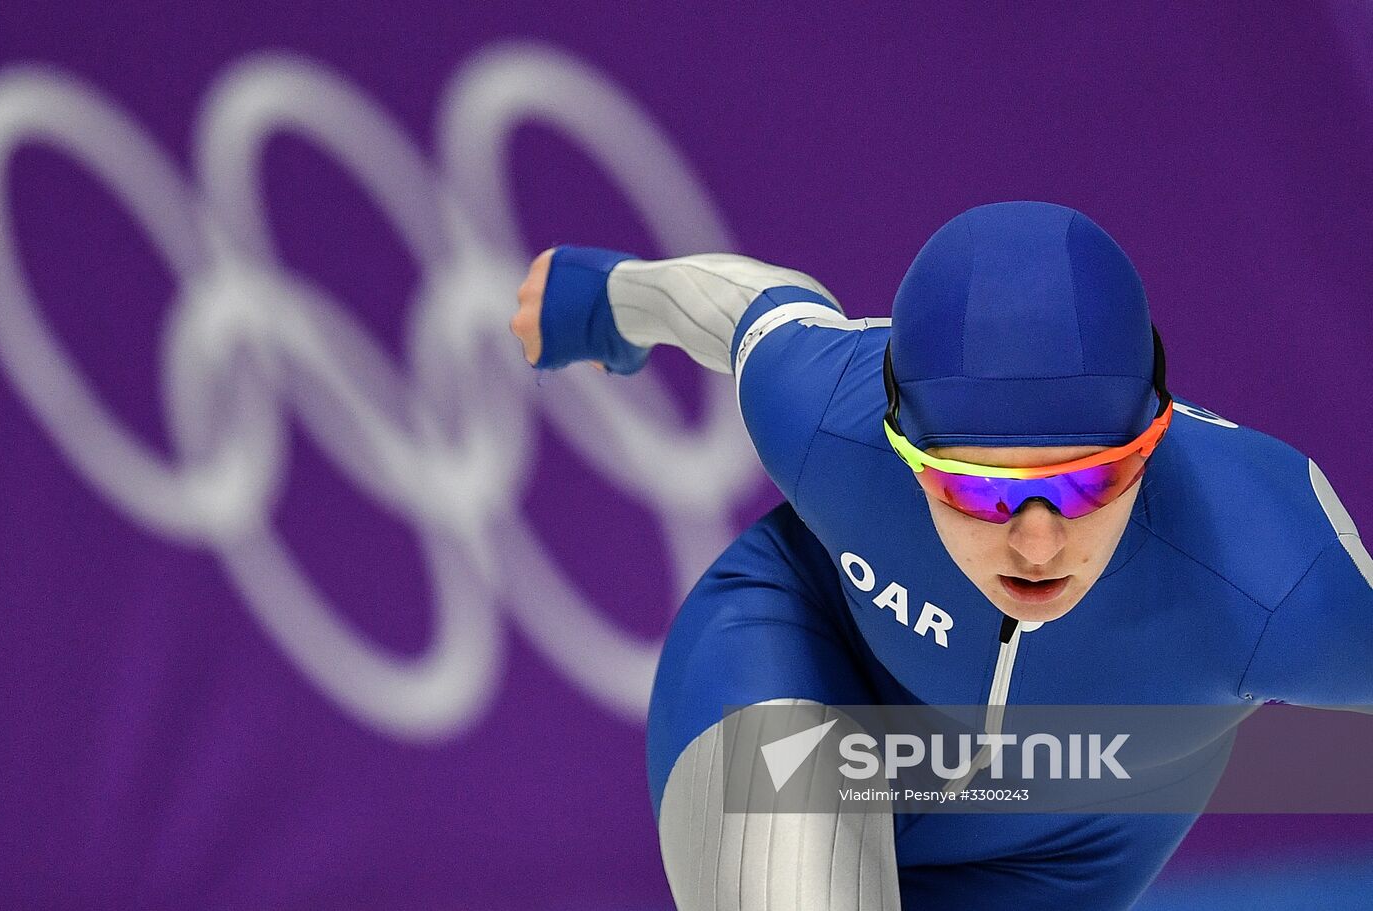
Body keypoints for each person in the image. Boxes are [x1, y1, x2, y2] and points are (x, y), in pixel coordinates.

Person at [510, 202, 1373, 909]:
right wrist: (602, 300)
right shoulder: (823, 417)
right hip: (795, 666)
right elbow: (751, 312)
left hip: (1057, 855)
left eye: (1086, 484)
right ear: (901, 448)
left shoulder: (1279, 578)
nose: (1036, 541)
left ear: (1150, 445)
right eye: (976, 490)